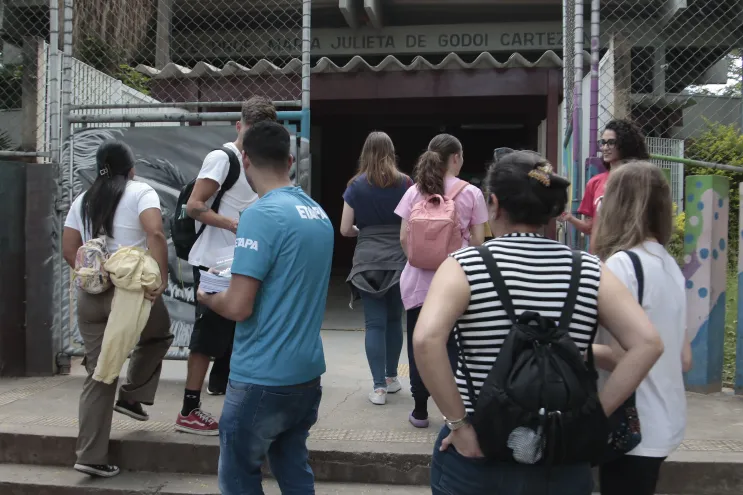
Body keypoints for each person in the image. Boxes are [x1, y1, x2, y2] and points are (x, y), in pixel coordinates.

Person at [412, 150, 664, 495]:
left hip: (480, 451)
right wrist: (593, 414)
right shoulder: (589, 270)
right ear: (554, 211)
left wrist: (459, 425)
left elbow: (426, 340)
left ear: (495, 204)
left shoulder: (465, 265)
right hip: (561, 452)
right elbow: (648, 343)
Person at [196, 121, 334, 494]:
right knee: (293, 469)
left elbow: (239, 306)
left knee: (239, 477)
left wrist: (209, 297)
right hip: (306, 375)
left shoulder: (259, 215)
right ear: (290, 160)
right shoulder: (318, 214)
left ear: (245, 159)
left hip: (261, 377)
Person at [62, 140, 172, 478]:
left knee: (100, 371)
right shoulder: (140, 192)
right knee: (158, 335)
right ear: (131, 168)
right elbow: (154, 231)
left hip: (91, 295)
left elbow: (70, 249)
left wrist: (95, 276)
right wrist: (160, 278)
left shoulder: (83, 200)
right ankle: (133, 394)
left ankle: (90, 455)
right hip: (132, 294)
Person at [177, 96, 278, 436]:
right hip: (212, 262)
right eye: (250, 131)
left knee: (242, 333)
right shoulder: (223, 158)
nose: (252, 139)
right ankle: (189, 410)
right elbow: (194, 206)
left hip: (243, 260)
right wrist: (234, 225)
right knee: (208, 337)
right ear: (239, 126)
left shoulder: (259, 161)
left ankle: (243, 408)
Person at [592, 161, 692, 495]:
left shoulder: (622, 264)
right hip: (665, 422)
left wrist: (572, 348)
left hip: (632, 427)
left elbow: (623, 355)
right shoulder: (667, 264)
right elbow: (684, 358)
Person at [394, 133, 488, 428]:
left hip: (417, 284)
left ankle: (420, 410)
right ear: (456, 158)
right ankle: (454, 412)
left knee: (418, 344)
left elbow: (402, 238)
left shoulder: (414, 192)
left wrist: (421, 260)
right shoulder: (472, 193)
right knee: (454, 345)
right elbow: (478, 241)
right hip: (456, 283)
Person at [342, 131, 412, 405]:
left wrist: (364, 230)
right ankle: (393, 378)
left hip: (367, 261)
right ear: (391, 152)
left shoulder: (355, 185)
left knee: (374, 324)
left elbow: (345, 228)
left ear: (365, 153)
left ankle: (379, 388)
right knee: (395, 321)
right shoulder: (406, 183)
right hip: (399, 260)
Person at [561, 119, 649, 251]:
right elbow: (590, 227)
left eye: (611, 142)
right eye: (602, 142)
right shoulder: (594, 182)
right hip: (599, 257)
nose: (605, 147)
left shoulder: (640, 181)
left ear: (625, 144)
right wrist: (569, 218)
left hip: (627, 255)